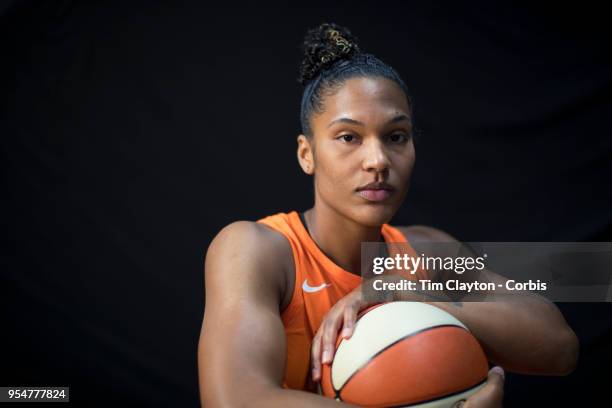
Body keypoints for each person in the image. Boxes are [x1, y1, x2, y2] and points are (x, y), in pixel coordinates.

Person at [197, 22, 579, 407]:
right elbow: (232, 399)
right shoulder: (255, 249)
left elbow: (559, 349)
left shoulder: (427, 249)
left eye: (396, 136)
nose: (378, 160)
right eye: (349, 137)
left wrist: (409, 294)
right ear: (306, 154)